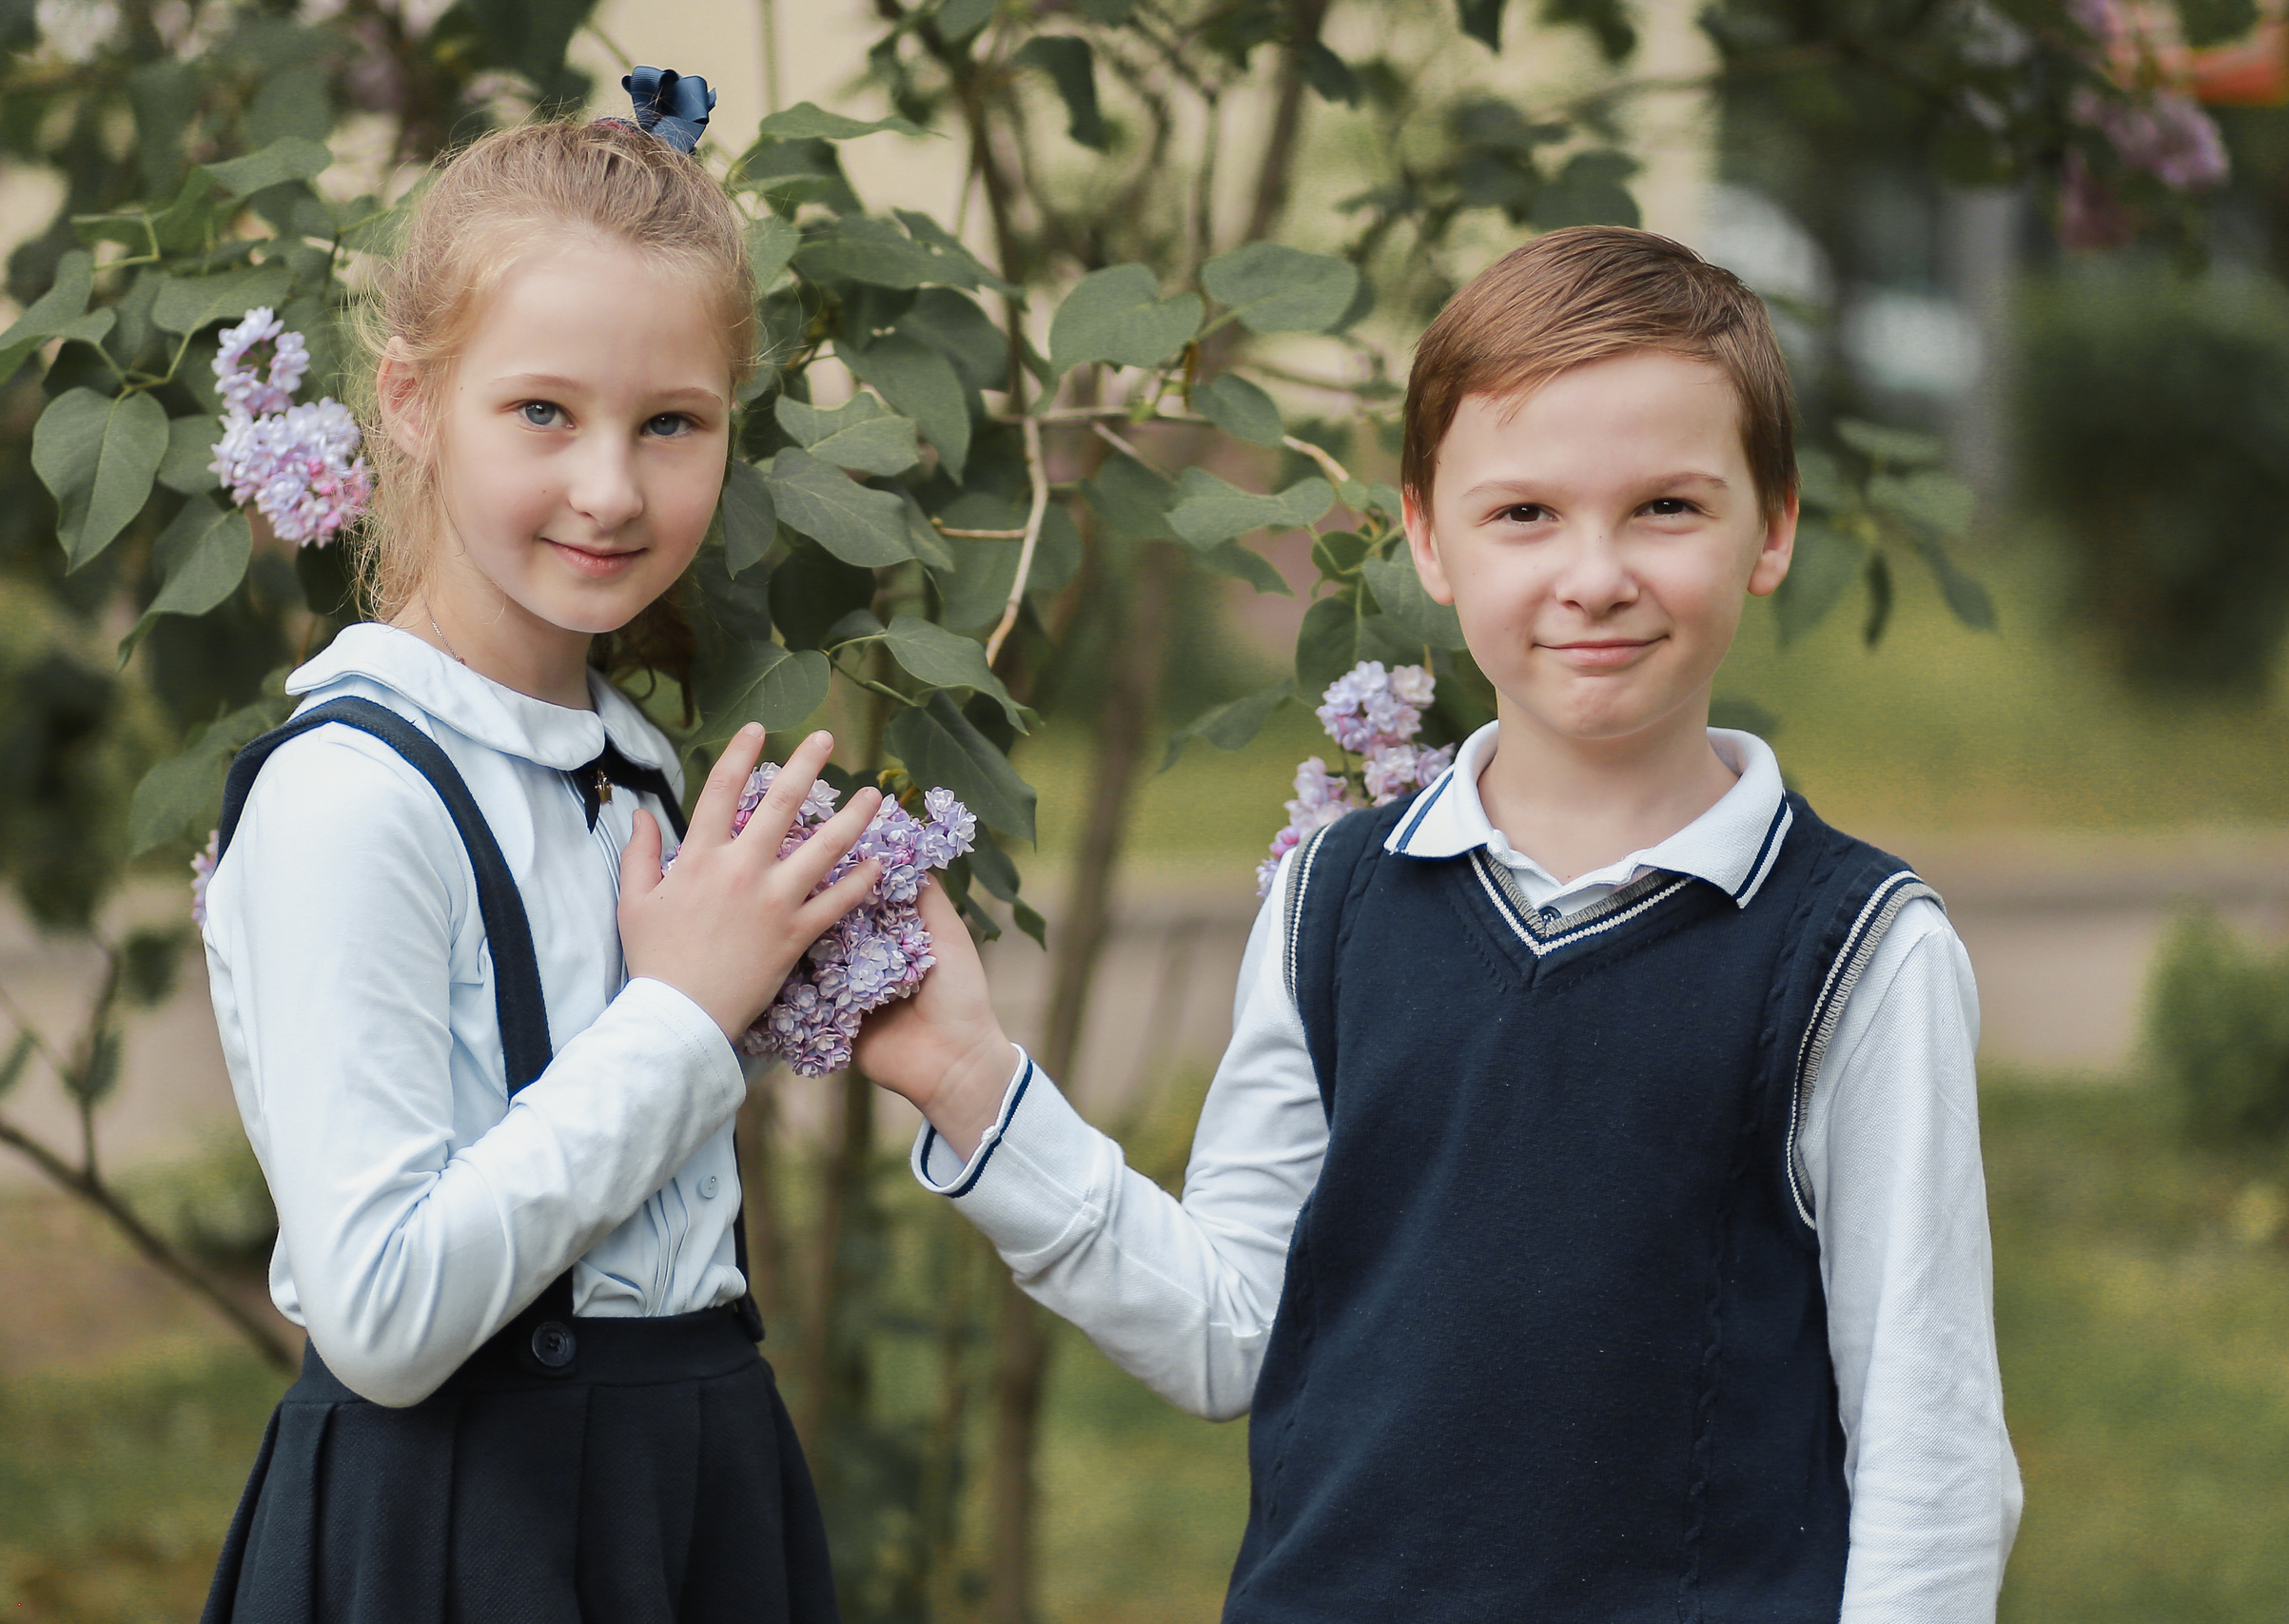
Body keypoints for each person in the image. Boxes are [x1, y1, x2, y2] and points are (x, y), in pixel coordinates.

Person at [858, 225, 2023, 1622]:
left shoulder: (1858, 953)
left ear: (1771, 527)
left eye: (1666, 508)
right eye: (1524, 514)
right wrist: (976, 1093)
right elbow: (1236, 1330)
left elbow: (1933, 1455)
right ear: (1427, 537)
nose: (1594, 574)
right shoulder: (1332, 900)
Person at [198, 82, 872, 1623]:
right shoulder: (351, 796)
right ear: (416, 403)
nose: (611, 488)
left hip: (695, 1483)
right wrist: (684, 1018)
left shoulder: (636, 763)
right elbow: (380, 1313)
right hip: (460, 1526)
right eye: (543, 412)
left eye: (672, 424)